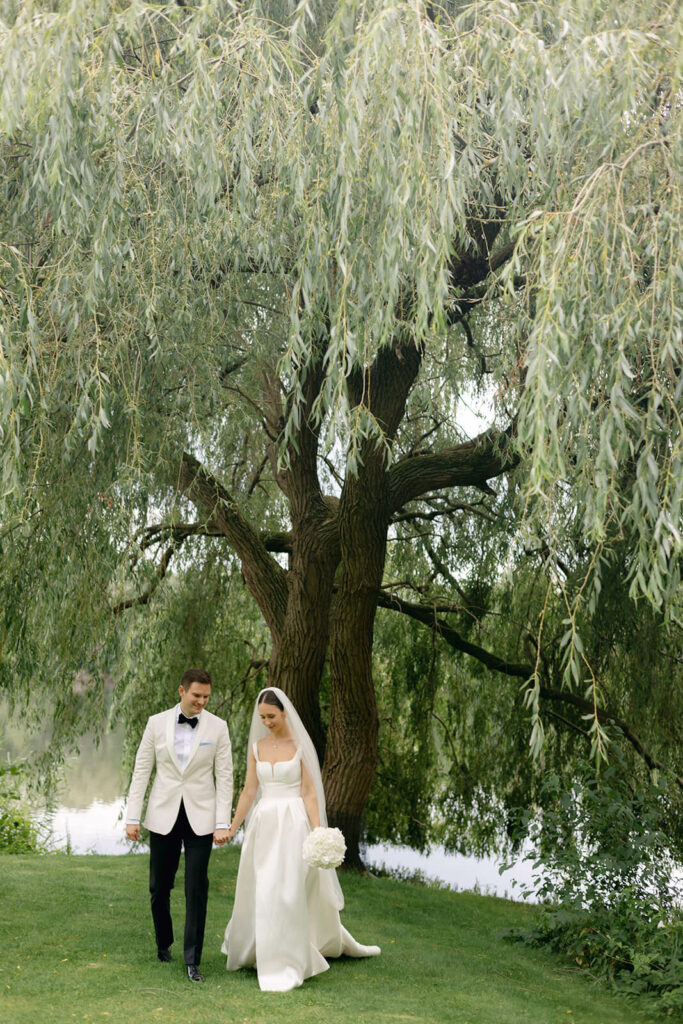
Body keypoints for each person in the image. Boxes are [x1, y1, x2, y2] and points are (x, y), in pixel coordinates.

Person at [221, 686, 380, 991]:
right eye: (262, 717)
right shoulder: (257, 748)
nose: (266, 721)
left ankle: (287, 956)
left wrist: (319, 831)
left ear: (284, 713)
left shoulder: (300, 747)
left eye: (271, 716)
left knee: (288, 889)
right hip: (264, 823)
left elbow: (308, 793)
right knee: (262, 885)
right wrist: (232, 825)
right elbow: (249, 791)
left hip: (293, 823)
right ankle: (258, 948)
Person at [125, 667, 233, 982]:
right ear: (181, 691)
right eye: (197, 695)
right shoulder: (156, 724)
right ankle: (164, 942)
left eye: (206, 697)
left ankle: (192, 960)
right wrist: (132, 817)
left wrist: (222, 822)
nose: (201, 702)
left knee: (196, 887)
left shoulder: (219, 727)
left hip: (202, 817)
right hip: (163, 814)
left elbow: (225, 777)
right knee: (160, 887)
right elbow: (141, 770)